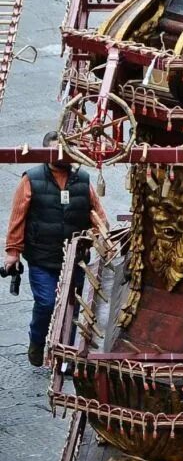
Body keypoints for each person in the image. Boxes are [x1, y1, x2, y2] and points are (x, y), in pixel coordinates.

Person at [3, 141, 108, 366]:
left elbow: (98, 216)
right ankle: (37, 340)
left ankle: (65, 357)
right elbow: (18, 216)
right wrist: (13, 252)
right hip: (42, 258)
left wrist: (98, 237)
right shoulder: (31, 179)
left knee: (72, 308)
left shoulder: (83, 180)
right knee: (47, 303)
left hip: (76, 258)